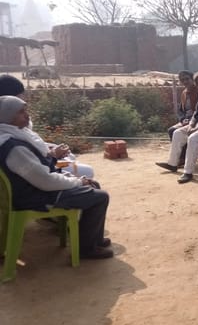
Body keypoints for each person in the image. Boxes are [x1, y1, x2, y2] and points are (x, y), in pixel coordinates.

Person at [0, 96, 113, 259]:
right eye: (21, 112)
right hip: (36, 196)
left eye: (26, 110)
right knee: (100, 197)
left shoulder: (13, 137)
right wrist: (78, 181)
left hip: (33, 190)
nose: (27, 115)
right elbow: (46, 182)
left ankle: (93, 239)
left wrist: (71, 176)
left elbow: (40, 173)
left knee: (93, 185)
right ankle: (86, 249)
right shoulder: (15, 148)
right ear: (8, 117)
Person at [0, 74, 95, 179]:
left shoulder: (11, 123)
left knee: (70, 157)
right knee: (87, 171)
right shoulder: (10, 131)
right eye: (21, 95)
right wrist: (52, 154)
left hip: (42, 165)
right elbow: (40, 172)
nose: (24, 98)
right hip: (41, 172)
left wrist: (49, 149)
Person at [167, 70, 198, 140]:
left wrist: (191, 120)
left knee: (179, 132)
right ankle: (182, 148)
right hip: (186, 120)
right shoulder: (184, 93)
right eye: (182, 80)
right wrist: (183, 119)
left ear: (192, 79)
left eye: (187, 79)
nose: (185, 82)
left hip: (196, 120)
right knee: (171, 130)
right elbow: (180, 110)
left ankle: (187, 147)